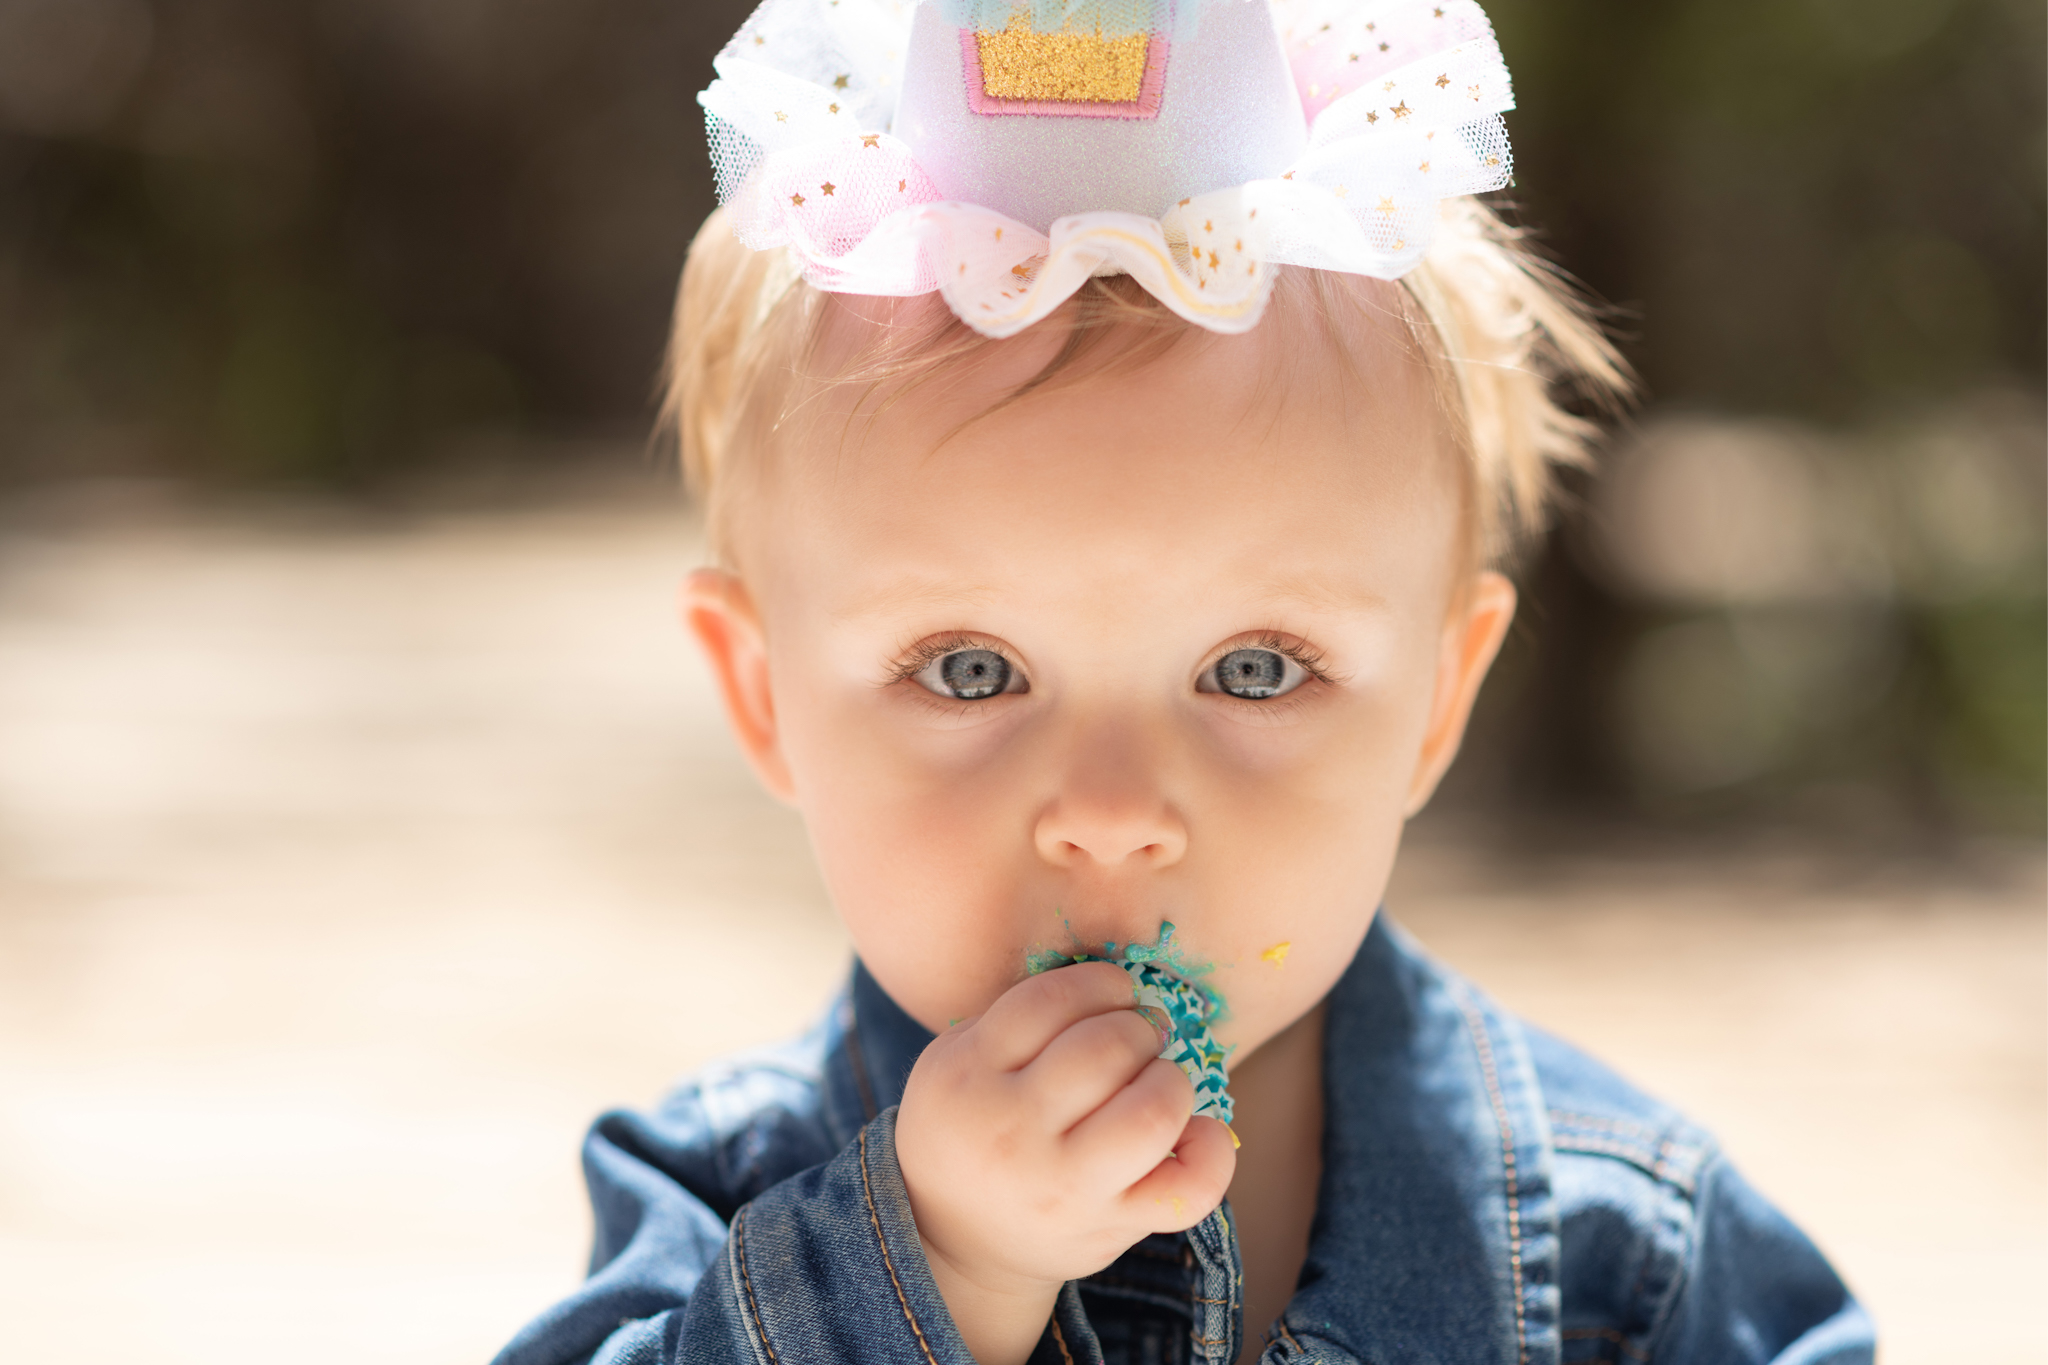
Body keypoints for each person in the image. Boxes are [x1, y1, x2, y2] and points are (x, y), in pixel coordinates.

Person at [498, 1, 1874, 1361]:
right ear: (764, 697)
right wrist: (934, 1267)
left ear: (1438, 705)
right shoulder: (711, 1197)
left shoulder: (1630, 1252)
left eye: (1255, 668)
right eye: (973, 670)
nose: (1109, 810)